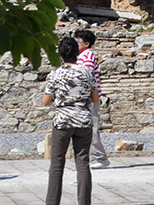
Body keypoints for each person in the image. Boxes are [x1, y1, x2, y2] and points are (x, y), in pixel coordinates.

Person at [44, 36, 98, 205]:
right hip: (83, 120)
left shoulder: (56, 73)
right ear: (77, 53)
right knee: (83, 164)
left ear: (60, 54)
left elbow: (46, 102)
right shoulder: (87, 72)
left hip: (63, 121)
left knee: (56, 165)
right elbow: (95, 98)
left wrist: (60, 99)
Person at [74, 29, 109, 169]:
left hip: (89, 97)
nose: (76, 43)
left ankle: (99, 157)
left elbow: (86, 76)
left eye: (78, 41)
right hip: (86, 97)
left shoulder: (87, 55)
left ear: (86, 43)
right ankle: (92, 157)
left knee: (91, 127)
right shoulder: (82, 55)